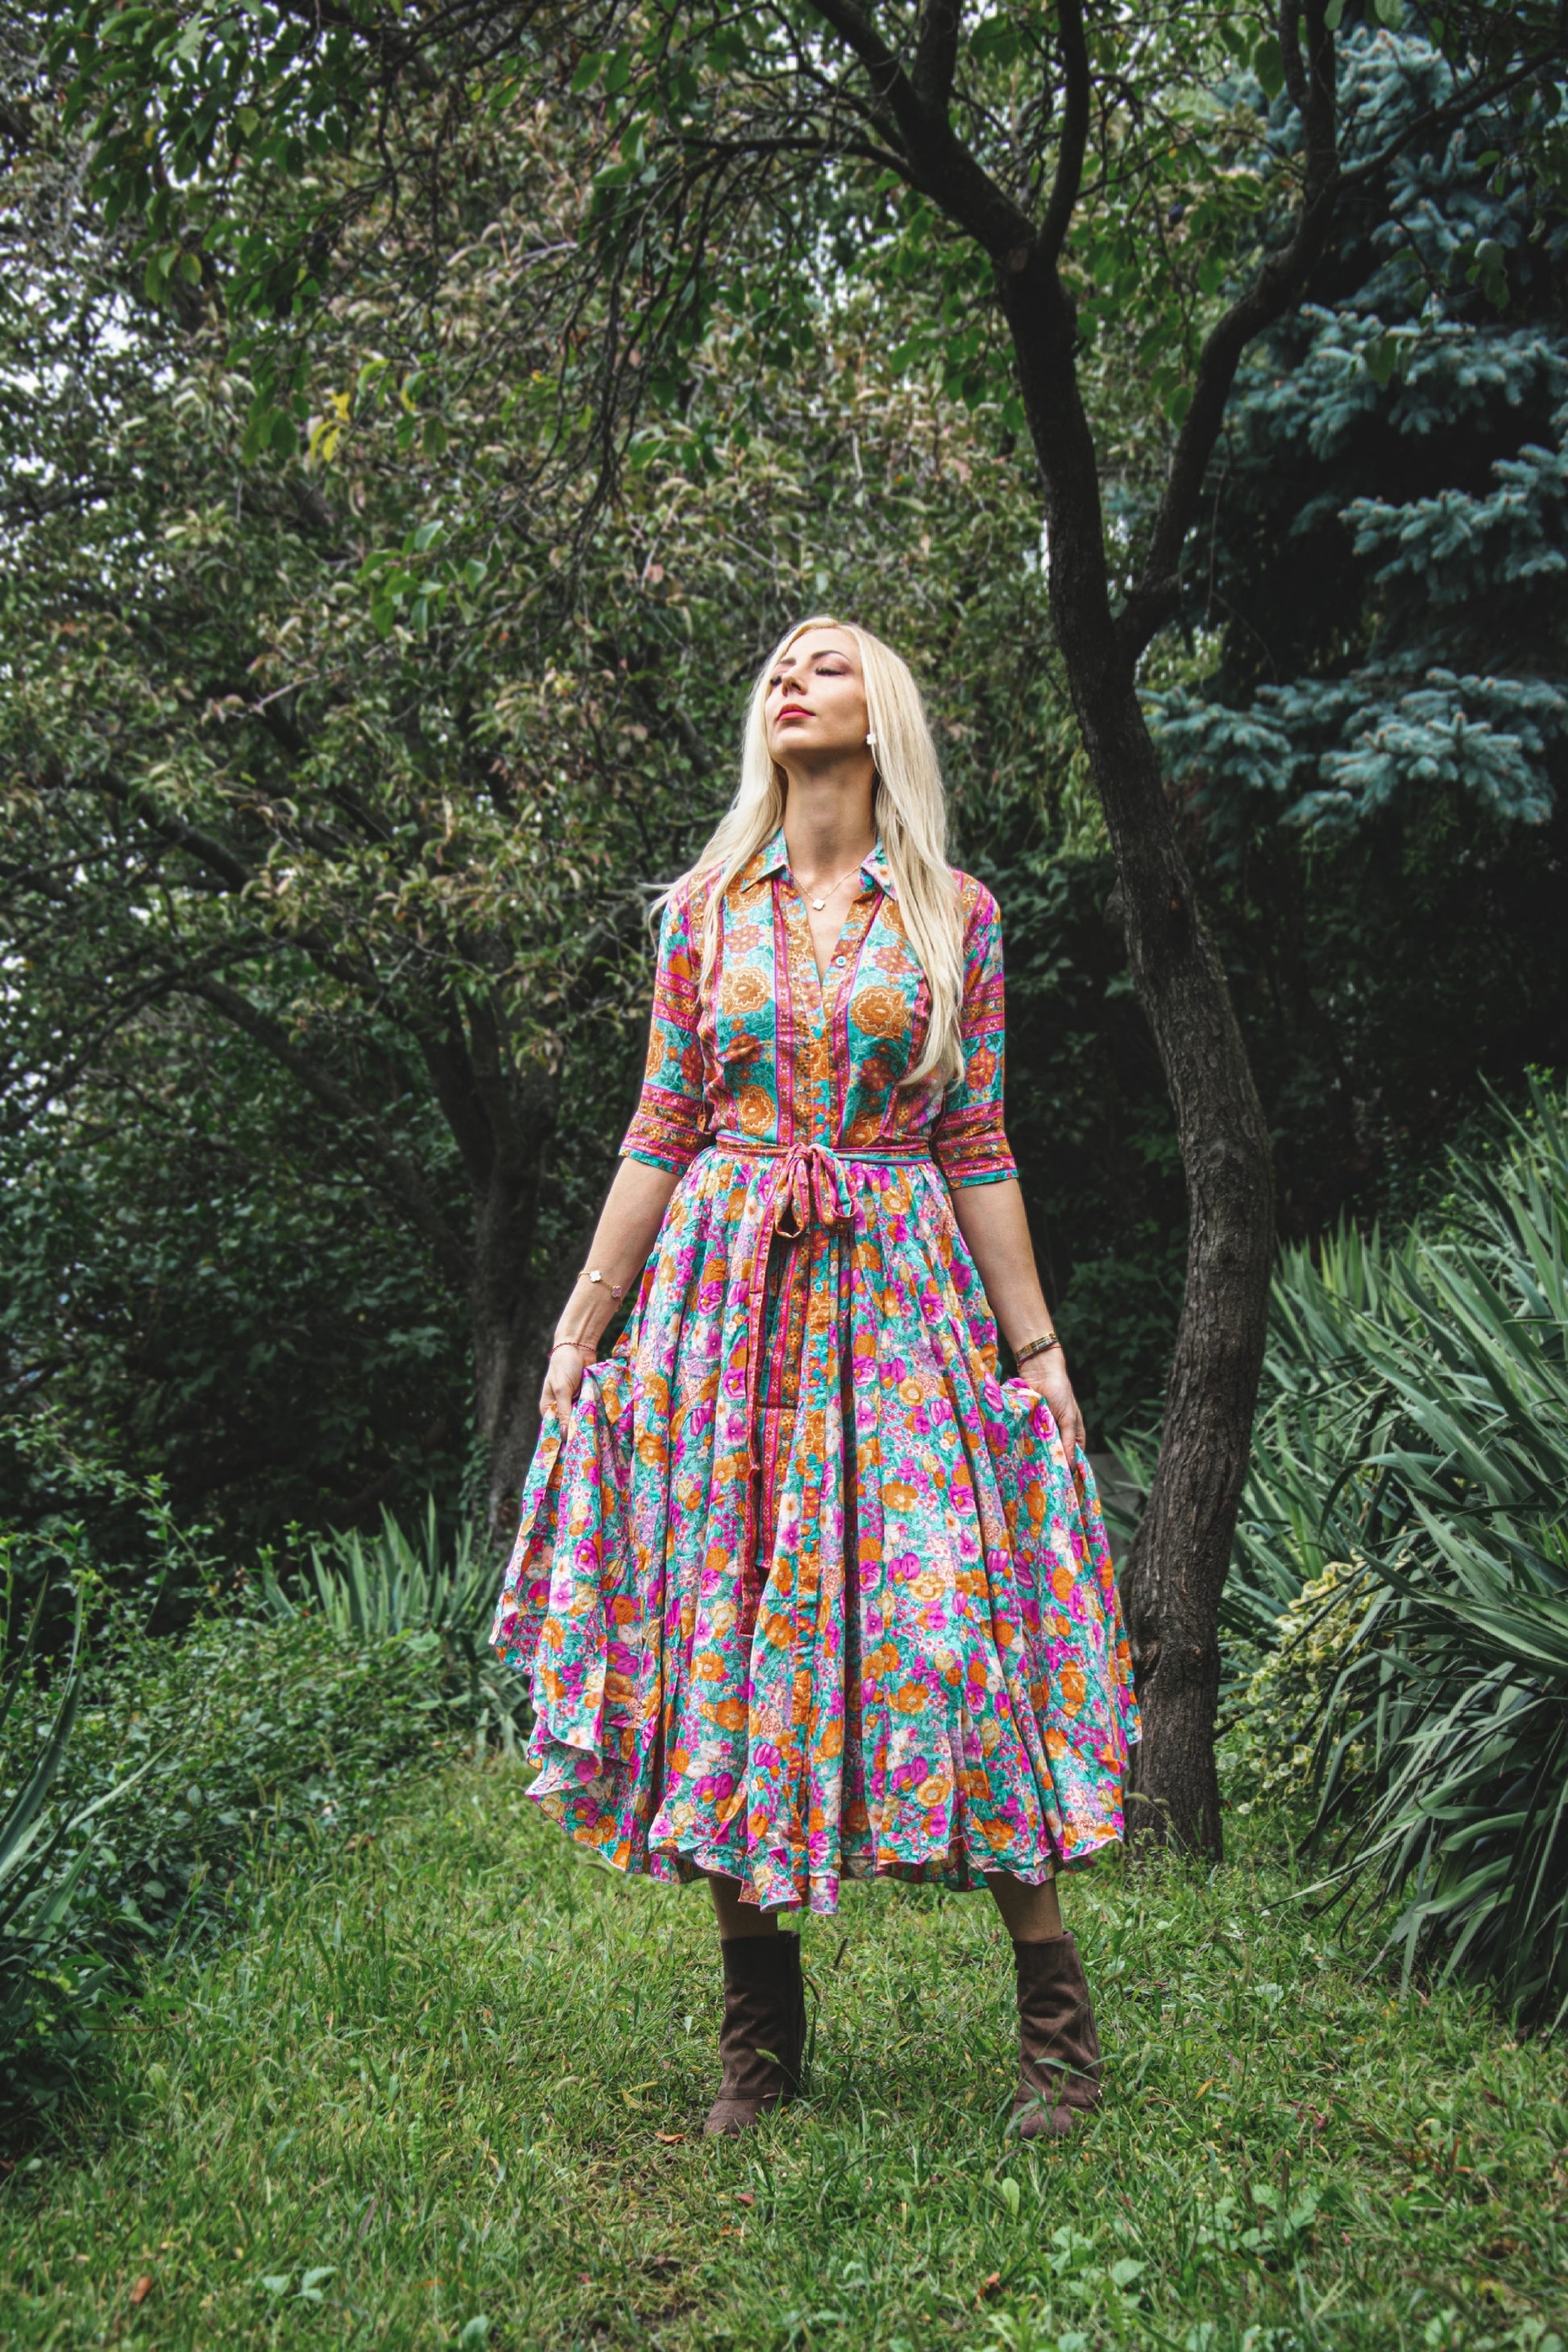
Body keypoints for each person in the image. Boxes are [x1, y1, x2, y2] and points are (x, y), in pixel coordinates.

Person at [490, 617, 1139, 2138]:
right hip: (723, 1309)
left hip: (897, 1299)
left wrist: (1036, 1348)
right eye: (778, 665)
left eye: (826, 662)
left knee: (946, 1627)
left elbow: (972, 1136)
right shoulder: (703, 911)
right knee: (726, 1628)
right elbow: (661, 1122)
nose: (791, 678)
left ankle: (1054, 2029)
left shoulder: (955, 916)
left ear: (879, 711)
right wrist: (584, 1321)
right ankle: (758, 2047)